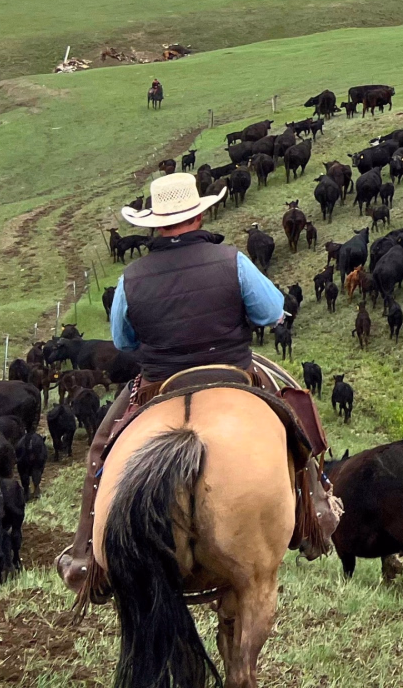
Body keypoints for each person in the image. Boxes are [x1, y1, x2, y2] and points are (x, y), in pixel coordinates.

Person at [55, 172, 338, 597]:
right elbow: (271, 312)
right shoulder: (232, 261)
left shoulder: (132, 277)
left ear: (153, 224)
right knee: (296, 422)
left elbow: (123, 341)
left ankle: (85, 555)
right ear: (200, 215)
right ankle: (315, 515)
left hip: (157, 383)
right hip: (235, 372)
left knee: (101, 446)